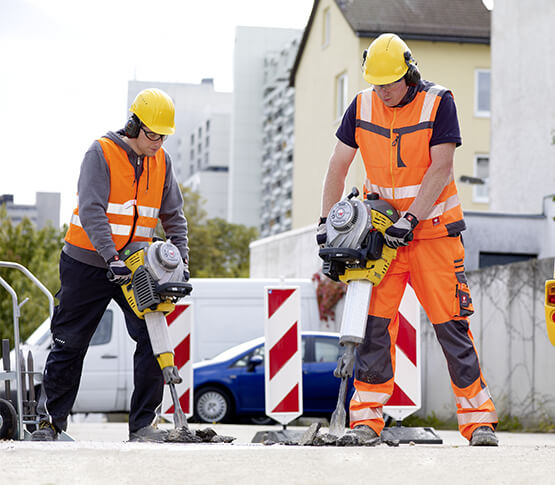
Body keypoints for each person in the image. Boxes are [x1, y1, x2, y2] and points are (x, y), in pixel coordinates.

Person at [318, 33, 498, 446]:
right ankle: (366, 420)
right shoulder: (361, 105)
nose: (382, 92)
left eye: (390, 84)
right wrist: (327, 222)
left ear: (409, 73)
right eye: (376, 84)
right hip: (380, 239)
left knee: (452, 326)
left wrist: (412, 218)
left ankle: (479, 420)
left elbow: (442, 167)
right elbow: (338, 164)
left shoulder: (439, 102)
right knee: (374, 328)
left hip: (434, 235)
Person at [31, 88, 190, 442]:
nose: (157, 142)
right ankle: (50, 423)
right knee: (69, 343)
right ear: (133, 125)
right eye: (152, 134)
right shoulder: (100, 153)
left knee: (152, 337)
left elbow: (174, 216)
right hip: (86, 263)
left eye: (163, 136)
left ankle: (143, 425)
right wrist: (110, 257)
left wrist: (181, 259)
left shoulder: (162, 162)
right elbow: (91, 210)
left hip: (135, 266)